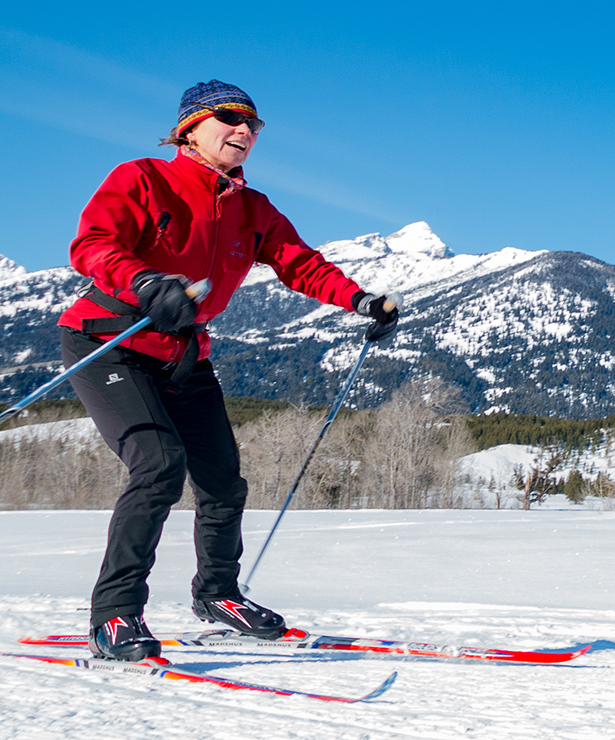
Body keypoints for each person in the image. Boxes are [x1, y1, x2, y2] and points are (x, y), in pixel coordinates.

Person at [58, 80, 400, 661]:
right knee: (159, 467)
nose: (245, 130)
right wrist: (145, 284)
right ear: (190, 126)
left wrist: (363, 301)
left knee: (222, 482)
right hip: (110, 342)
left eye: (254, 125)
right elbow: (93, 244)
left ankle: (217, 594)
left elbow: (301, 264)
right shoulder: (143, 177)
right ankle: (115, 615)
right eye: (231, 118)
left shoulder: (252, 208)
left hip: (184, 355)